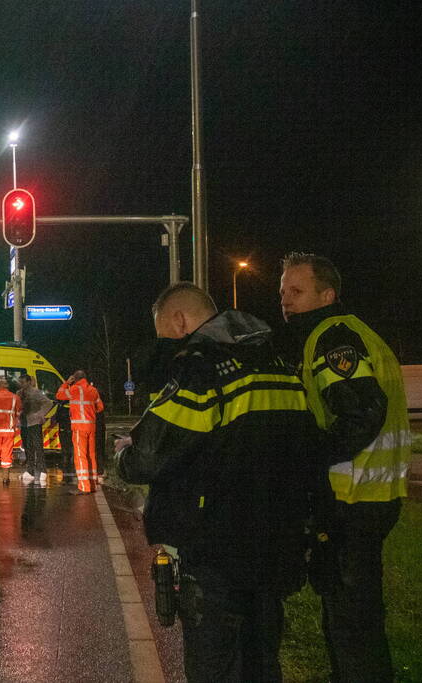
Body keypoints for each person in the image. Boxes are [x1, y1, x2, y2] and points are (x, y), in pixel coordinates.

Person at [110, 282, 316, 682]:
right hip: (275, 543)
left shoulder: (201, 367)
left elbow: (147, 456)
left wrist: (123, 452)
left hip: (217, 552)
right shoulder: (278, 363)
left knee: (214, 666)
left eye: (163, 334)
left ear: (180, 320)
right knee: (262, 661)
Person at [280, 252, 410, 683]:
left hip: (351, 500)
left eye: (297, 291)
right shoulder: (357, 332)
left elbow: (361, 413)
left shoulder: (331, 337)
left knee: (351, 622)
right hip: (373, 496)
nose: (285, 300)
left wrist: (308, 458)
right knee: (353, 616)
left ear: (327, 294)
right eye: (282, 292)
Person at [56, 370, 104, 493]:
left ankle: (84, 486)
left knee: (80, 455)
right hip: (91, 427)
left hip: (78, 427)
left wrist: (67, 382)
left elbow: (59, 395)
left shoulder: (74, 389)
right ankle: (93, 483)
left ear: (75, 379)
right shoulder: (93, 390)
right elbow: (100, 407)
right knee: (91, 455)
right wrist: (90, 413)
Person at [17, 375, 53, 484]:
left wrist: (40, 414)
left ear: (28, 382)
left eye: (23, 382)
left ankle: (43, 470)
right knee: (28, 448)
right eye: (20, 382)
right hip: (24, 424)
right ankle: (30, 471)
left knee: (38, 447)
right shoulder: (19, 393)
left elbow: (48, 403)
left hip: (34, 423)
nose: (21, 384)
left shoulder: (35, 392)